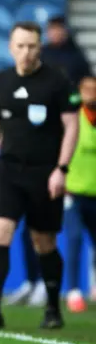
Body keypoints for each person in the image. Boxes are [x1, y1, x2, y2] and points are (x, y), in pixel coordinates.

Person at [0, 22, 79, 329]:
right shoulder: (1, 81)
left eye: (31, 46)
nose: (26, 52)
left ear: (39, 47)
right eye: (20, 45)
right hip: (8, 170)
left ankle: (53, 308)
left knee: (43, 242)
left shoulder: (57, 81)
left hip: (45, 173)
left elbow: (72, 125)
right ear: (10, 47)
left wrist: (62, 169)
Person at [64, 76, 96, 313]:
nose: (91, 94)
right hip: (74, 191)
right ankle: (74, 291)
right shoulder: (73, 118)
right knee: (74, 240)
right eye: (87, 90)